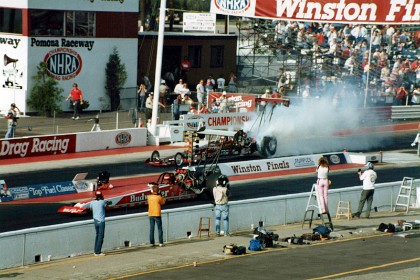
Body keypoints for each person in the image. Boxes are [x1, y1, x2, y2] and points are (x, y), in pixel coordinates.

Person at [89, 191, 107, 256]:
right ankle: (98, 252)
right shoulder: (103, 202)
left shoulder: (92, 202)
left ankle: (95, 251)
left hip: (95, 221)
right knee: (101, 237)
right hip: (101, 221)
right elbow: (106, 207)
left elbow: (91, 209)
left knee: (97, 236)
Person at [147, 182, 166, 247]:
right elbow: (163, 202)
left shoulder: (149, 197)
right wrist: (162, 195)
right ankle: (161, 242)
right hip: (157, 214)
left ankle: (152, 243)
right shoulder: (158, 197)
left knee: (151, 229)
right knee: (159, 229)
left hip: (150, 214)